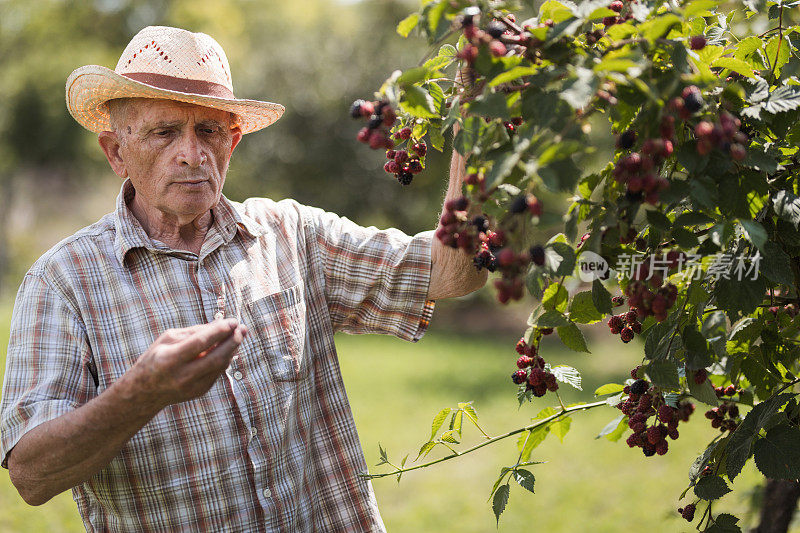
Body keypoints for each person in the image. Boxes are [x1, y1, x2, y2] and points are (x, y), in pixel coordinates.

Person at [0, 25, 485, 532]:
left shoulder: (292, 234)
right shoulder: (63, 282)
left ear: (232, 142)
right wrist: (141, 393)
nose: (192, 153)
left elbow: (455, 270)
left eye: (209, 131)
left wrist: (478, 120)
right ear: (116, 151)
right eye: (164, 132)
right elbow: (32, 477)